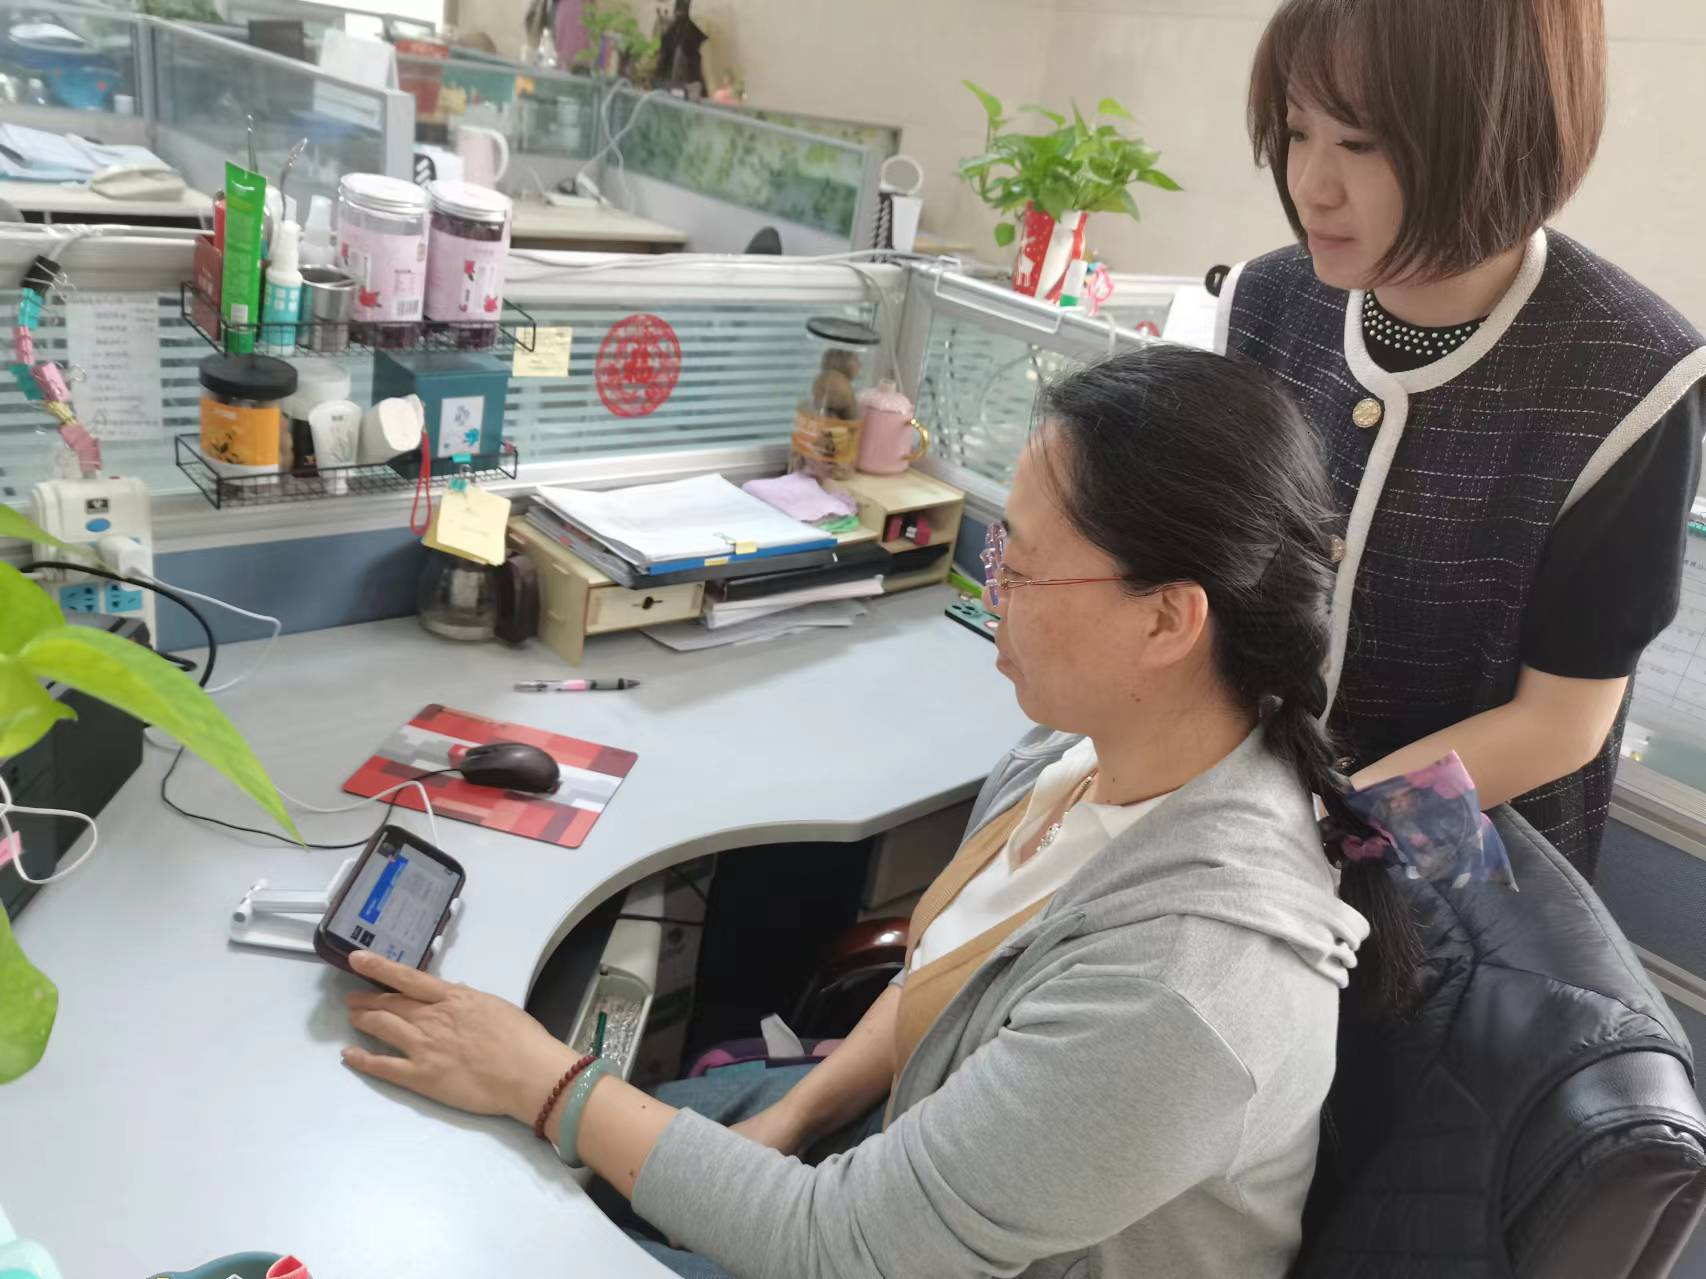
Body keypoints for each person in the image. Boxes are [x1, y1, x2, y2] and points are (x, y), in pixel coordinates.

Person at [340, 348, 1510, 1279]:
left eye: (1019, 568)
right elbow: (948, 972)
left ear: (1166, 620)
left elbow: (842, 1246)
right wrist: (792, 1112)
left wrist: (547, 1080)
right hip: (894, 1169)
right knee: (486, 1166)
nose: (988, 593)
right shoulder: (1087, 750)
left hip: (887, 1245)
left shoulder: (1189, 989)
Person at [1217, 0, 1705, 876]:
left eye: (1361, 143)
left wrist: (1322, 842)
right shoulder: (1268, 301)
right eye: (1295, 131)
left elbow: (1560, 723)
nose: (1311, 185)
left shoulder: (1631, 376)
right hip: (1243, 825)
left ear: (1497, 134)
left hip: (1461, 879)